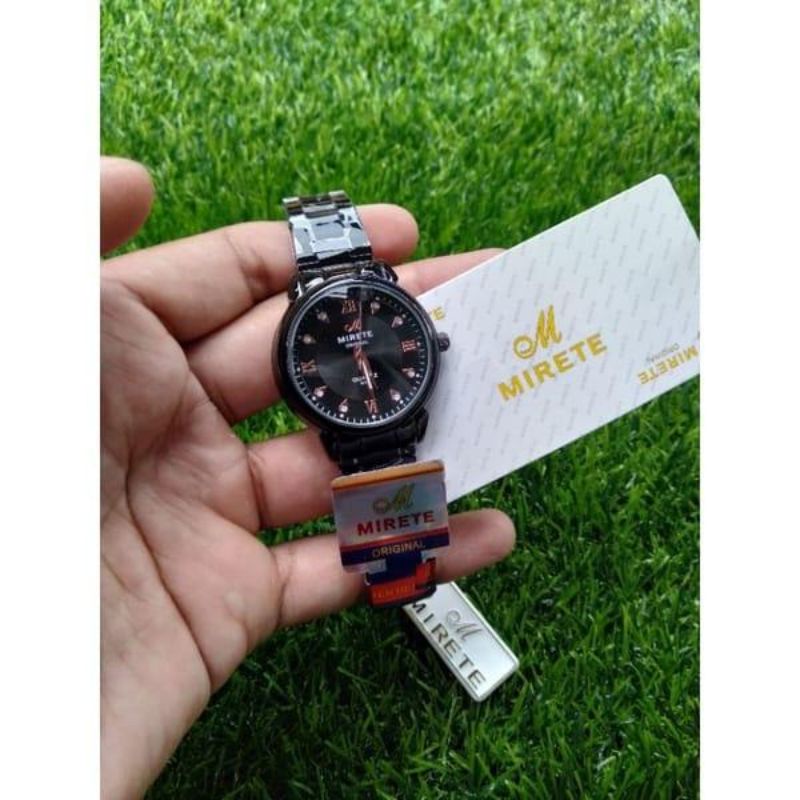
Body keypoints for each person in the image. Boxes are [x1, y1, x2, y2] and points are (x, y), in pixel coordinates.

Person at [100, 157, 516, 799]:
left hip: (393, 422)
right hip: (360, 437)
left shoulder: (395, 341)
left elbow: (388, 350)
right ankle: (399, 576)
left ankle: (402, 575)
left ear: (427, 341)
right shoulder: (316, 358)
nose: (359, 354)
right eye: (344, 352)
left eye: (371, 346)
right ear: (296, 373)